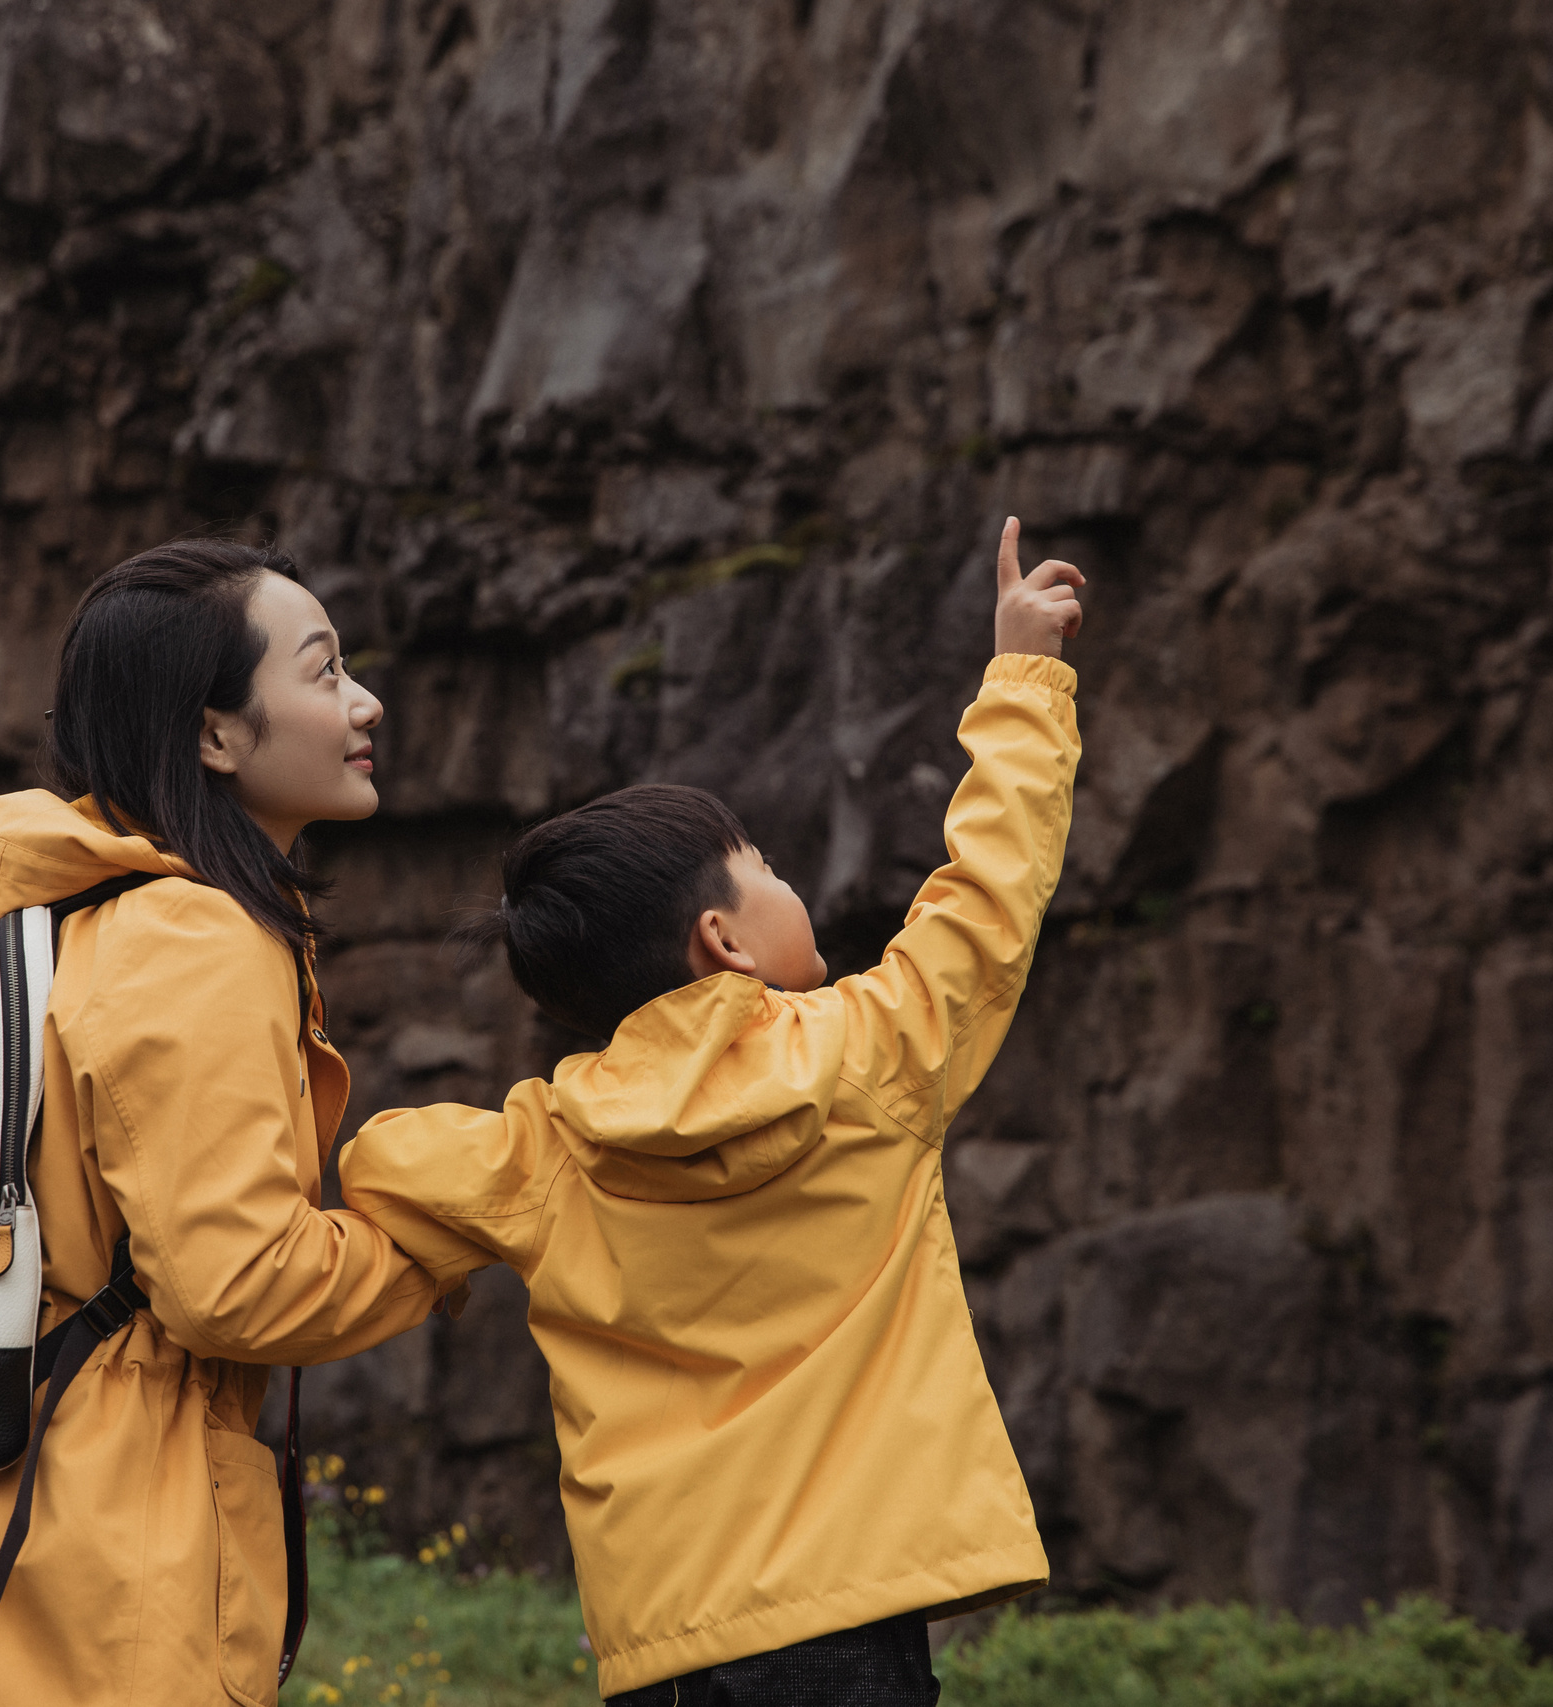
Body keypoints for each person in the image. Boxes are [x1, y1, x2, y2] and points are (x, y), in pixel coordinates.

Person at [339, 517, 1085, 1704]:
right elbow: (990, 893)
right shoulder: (873, 1050)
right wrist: (1022, 677)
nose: (789, 883)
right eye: (767, 868)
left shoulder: (542, 1147)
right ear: (723, 939)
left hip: (668, 1641)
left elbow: (385, 1162)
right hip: (850, 1617)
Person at [0, 540, 451, 1707]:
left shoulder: (67, 918)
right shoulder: (196, 936)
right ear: (214, 735)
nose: (363, 702)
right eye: (323, 672)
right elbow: (238, 1288)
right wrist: (450, 1222)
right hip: (86, 1554)